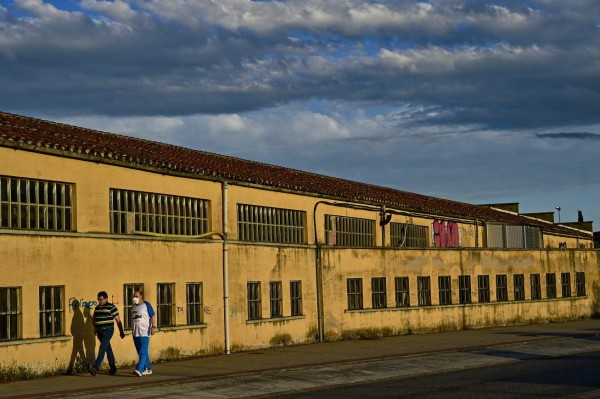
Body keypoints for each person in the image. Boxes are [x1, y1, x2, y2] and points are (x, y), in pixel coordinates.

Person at [89, 291, 125, 376]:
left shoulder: (111, 307)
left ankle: (95, 368)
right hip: (99, 331)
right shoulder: (97, 308)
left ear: (106, 299)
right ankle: (113, 368)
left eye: (101, 299)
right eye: (98, 299)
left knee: (102, 348)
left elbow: (118, 320)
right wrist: (95, 329)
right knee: (107, 349)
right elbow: (94, 319)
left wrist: (121, 331)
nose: (99, 301)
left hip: (108, 331)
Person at [131, 290, 157, 376]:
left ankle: (139, 369)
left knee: (143, 351)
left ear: (141, 296)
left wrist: (153, 327)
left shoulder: (146, 304)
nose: (135, 298)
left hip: (144, 332)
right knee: (141, 352)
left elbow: (152, 315)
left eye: (136, 296)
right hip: (135, 333)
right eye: (134, 296)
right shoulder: (134, 307)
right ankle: (148, 369)